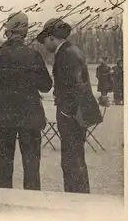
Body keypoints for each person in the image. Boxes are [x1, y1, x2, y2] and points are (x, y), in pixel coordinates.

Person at [0, 12, 53, 191]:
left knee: (3, 166)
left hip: (1, 118)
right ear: (25, 32)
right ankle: (32, 207)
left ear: (7, 31)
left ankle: (3, 207)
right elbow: (46, 86)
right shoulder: (33, 55)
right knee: (31, 167)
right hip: (29, 118)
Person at [36, 17, 102, 194]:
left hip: (72, 116)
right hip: (76, 114)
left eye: (44, 41)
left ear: (51, 37)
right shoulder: (70, 51)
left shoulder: (66, 54)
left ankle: (77, 198)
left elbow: (77, 86)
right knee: (74, 159)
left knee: (72, 160)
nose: (44, 46)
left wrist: (67, 112)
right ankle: (77, 196)